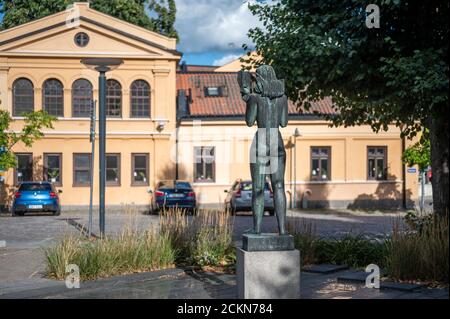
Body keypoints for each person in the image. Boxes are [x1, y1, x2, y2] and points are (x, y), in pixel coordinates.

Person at [238, 65, 288, 235]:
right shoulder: (283, 98)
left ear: (260, 78)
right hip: (277, 141)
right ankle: (282, 230)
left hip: (261, 141)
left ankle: (257, 229)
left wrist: (247, 99)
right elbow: (283, 122)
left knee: (258, 188)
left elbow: (250, 121)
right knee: (279, 186)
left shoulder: (254, 98)